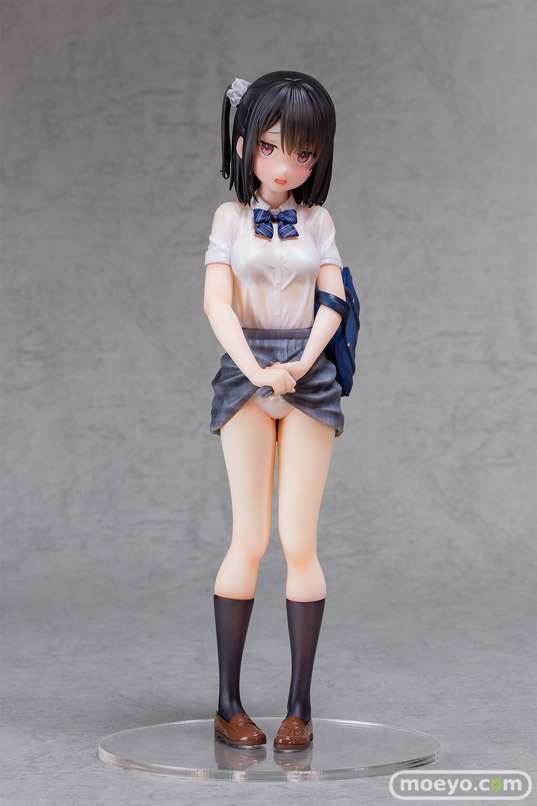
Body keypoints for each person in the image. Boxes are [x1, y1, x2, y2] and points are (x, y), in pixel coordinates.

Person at [203, 71, 347, 751]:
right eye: (269, 148)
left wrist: (301, 364)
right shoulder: (229, 219)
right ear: (244, 145)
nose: (285, 165)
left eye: (302, 153)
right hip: (245, 380)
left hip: (308, 383)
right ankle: (228, 704)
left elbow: (334, 301)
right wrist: (257, 369)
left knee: (299, 541)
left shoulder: (319, 222)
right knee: (249, 540)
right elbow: (215, 302)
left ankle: (299, 708)